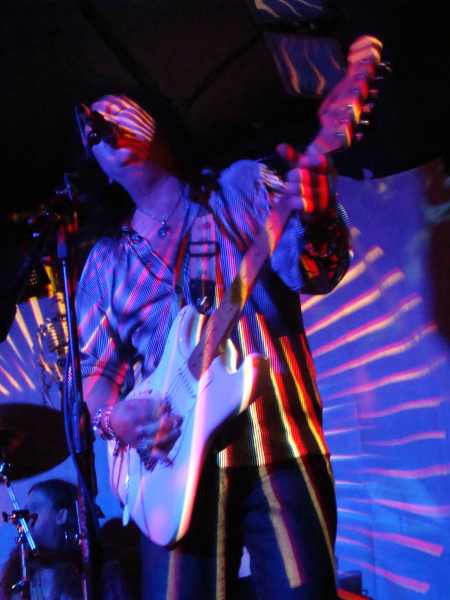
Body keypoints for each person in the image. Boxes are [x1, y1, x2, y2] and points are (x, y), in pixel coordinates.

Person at [75, 93, 351, 600]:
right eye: (94, 128)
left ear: (157, 118)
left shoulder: (242, 186)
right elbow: (93, 372)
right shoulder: (105, 263)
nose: (105, 124)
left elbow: (314, 273)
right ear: (98, 168)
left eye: (118, 107)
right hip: (173, 469)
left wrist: (317, 216)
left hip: (279, 442)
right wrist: (115, 419)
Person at [0, 479, 130, 600]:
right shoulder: (17, 572)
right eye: (25, 509)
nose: (24, 516)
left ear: (61, 516)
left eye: (34, 507)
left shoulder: (99, 567)